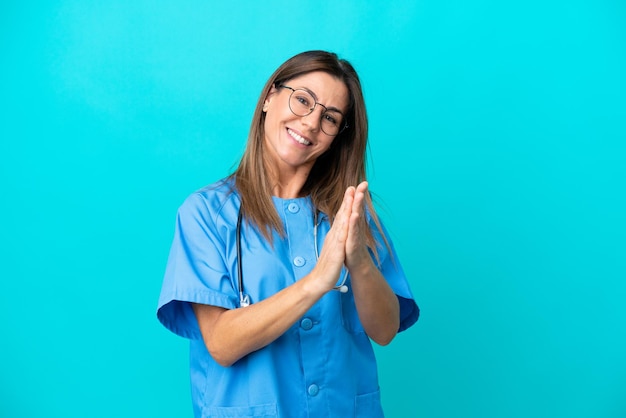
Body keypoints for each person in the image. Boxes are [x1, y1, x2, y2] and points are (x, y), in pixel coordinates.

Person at [157, 50, 419, 418]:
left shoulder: (350, 214)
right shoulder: (205, 213)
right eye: (302, 100)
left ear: (338, 137)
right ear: (269, 98)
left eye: (330, 118)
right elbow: (220, 342)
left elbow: (385, 328)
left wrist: (358, 260)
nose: (311, 123)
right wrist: (317, 281)